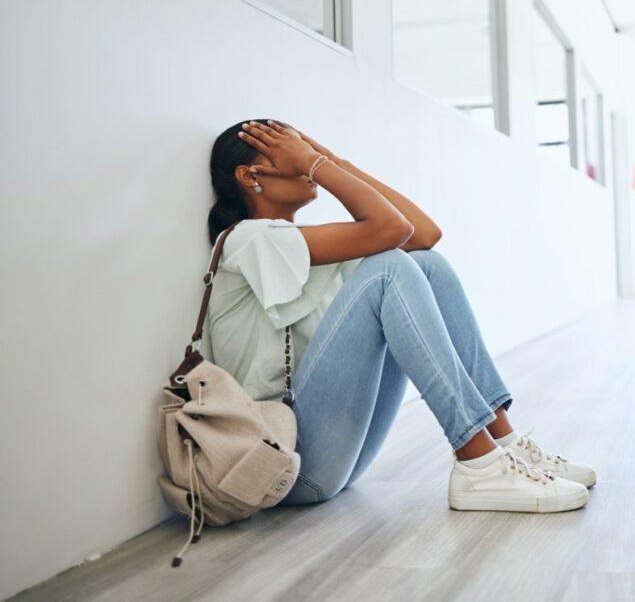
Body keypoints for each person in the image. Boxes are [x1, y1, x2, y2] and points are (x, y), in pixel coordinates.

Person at [200, 119, 597, 513]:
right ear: (250, 175)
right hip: (281, 463)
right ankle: (478, 464)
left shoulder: (302, 244)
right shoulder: (246, 240)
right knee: (388, 269)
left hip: (336, 456)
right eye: (288, 149)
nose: (306, 158)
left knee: (427, 265)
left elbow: (422, 235)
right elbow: (394, 228)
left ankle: (503, 444)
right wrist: (320, 166)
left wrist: (330, 159)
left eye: (304, 148)